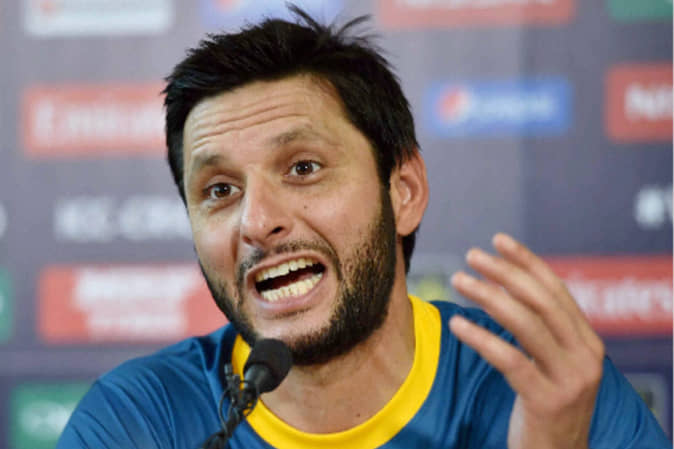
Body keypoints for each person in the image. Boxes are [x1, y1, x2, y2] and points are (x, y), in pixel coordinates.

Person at [57, 6, 670, 449]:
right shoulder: (139, 421)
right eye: (220, 191)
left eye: (303, 168)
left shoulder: (543, 391)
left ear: (403, 192)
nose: (258, 221)